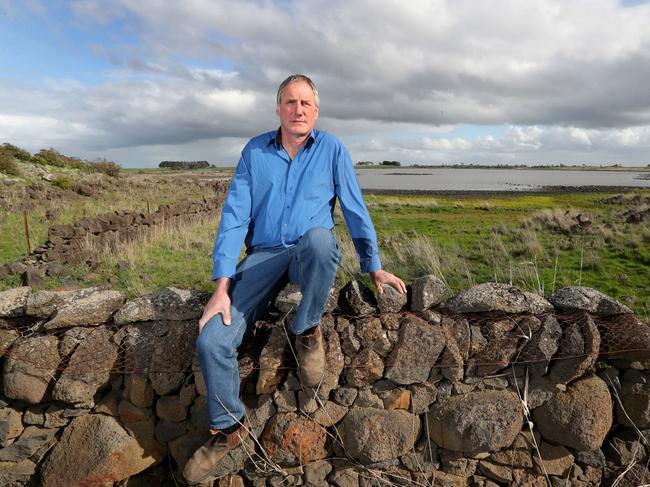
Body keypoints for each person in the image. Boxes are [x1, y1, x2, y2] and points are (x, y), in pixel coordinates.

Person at [183, 74, 406, 484]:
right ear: (278, 108)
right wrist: (221, 286)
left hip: (308, 253)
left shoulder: (333, 149)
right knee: (212, 338)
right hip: (263, 257)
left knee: (322, 241)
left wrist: (372, 264)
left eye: (305, 103)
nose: (298, 109)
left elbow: (354, 209)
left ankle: (306, 328)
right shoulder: (254, 151)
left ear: (315, 111)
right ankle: (226, 429)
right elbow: (234, 217)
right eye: (290, 102)